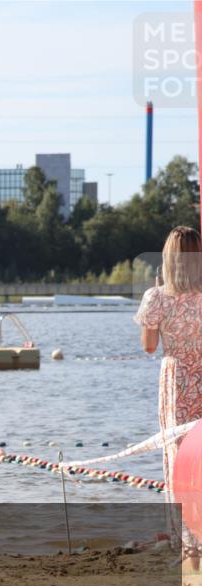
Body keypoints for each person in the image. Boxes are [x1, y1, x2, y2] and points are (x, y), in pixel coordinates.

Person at [134, 225, 202, 564]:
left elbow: (148, 347)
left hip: (176, 380)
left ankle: (189, 547)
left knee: (180, 462)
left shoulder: (157, 297)